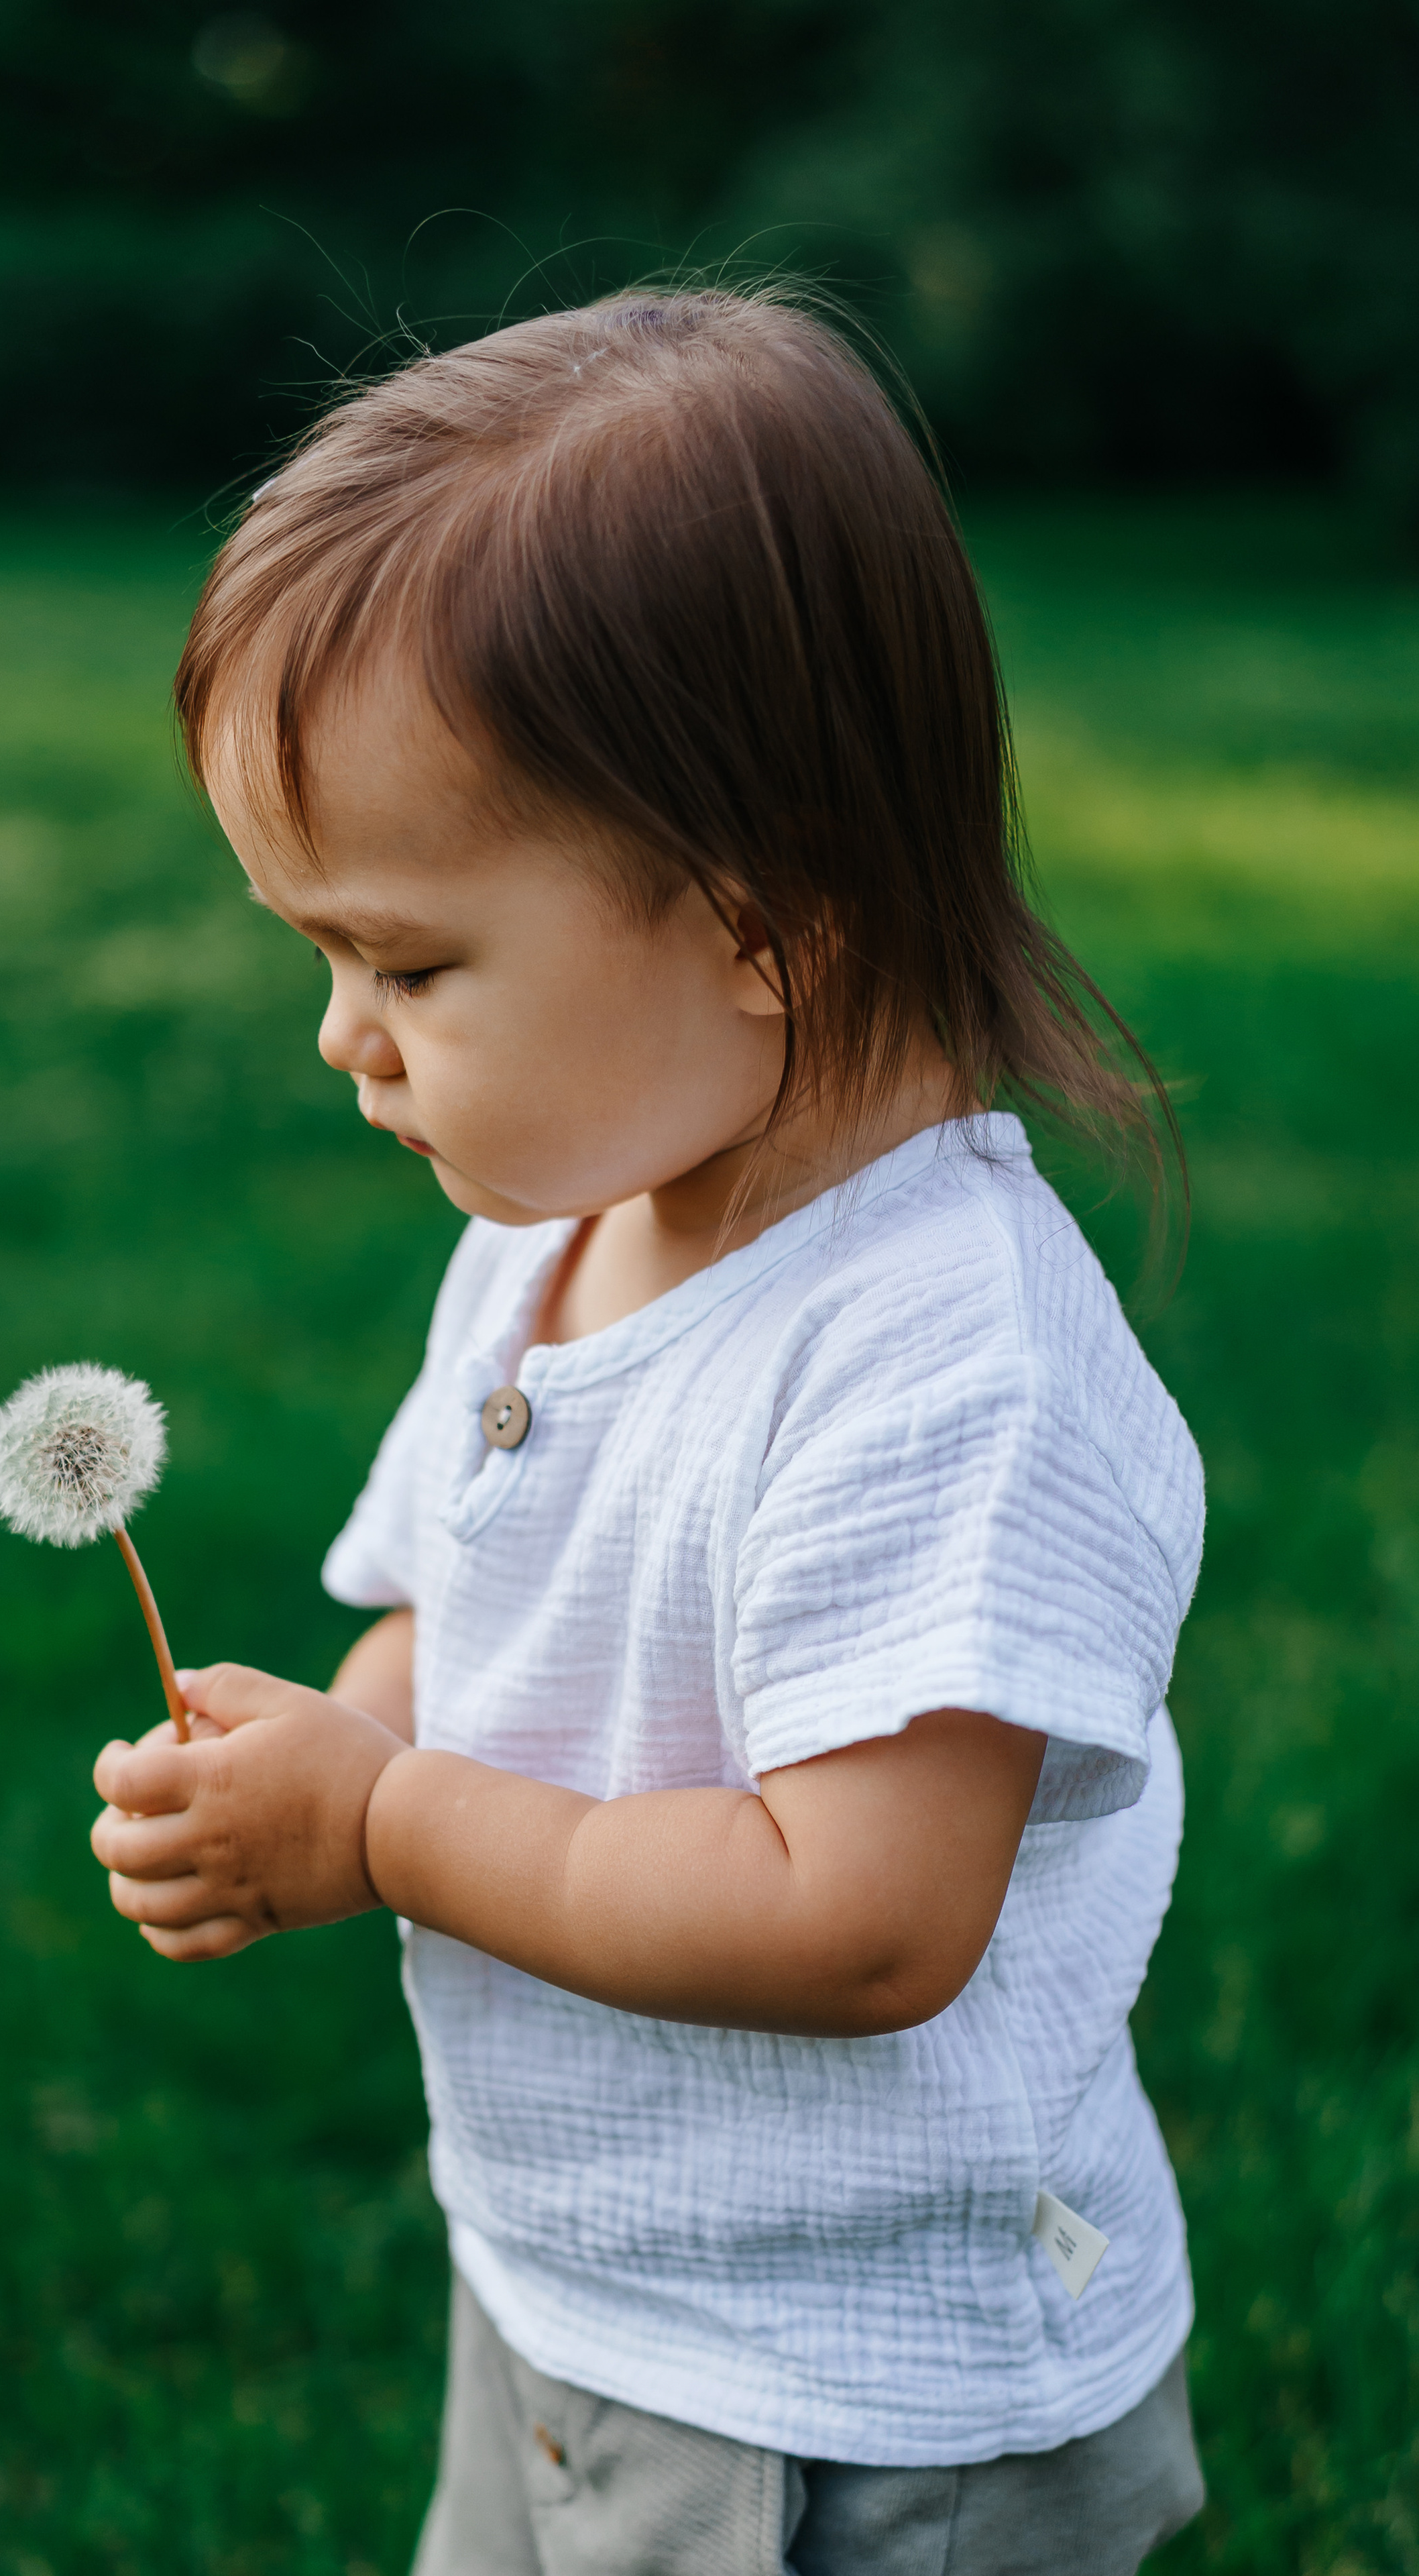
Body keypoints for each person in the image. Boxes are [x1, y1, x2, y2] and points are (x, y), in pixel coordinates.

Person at [89, 289, 1207, 2575]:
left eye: (406, 965)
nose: (341, 1041)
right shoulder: (557, 1233)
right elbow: (455, 1618)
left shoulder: (938, 1362)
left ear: (762, 928)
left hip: (860, 2406)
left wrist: (388, 1821)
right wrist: (302, 1756)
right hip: (588, 2285)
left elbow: (862, 1916)